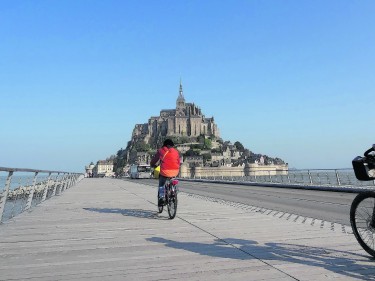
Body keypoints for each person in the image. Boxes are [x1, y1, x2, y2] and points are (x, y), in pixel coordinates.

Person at [150, 139, 181, 204]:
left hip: (165, 171)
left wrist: (152, 164)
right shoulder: (176, 151)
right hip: (175, 171)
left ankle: (161, 197)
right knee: (173, 179)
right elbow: (178, 162)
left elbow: (155, 160)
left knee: (161, 184)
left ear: (165, 145)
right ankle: (173, 191)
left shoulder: (161, 150)